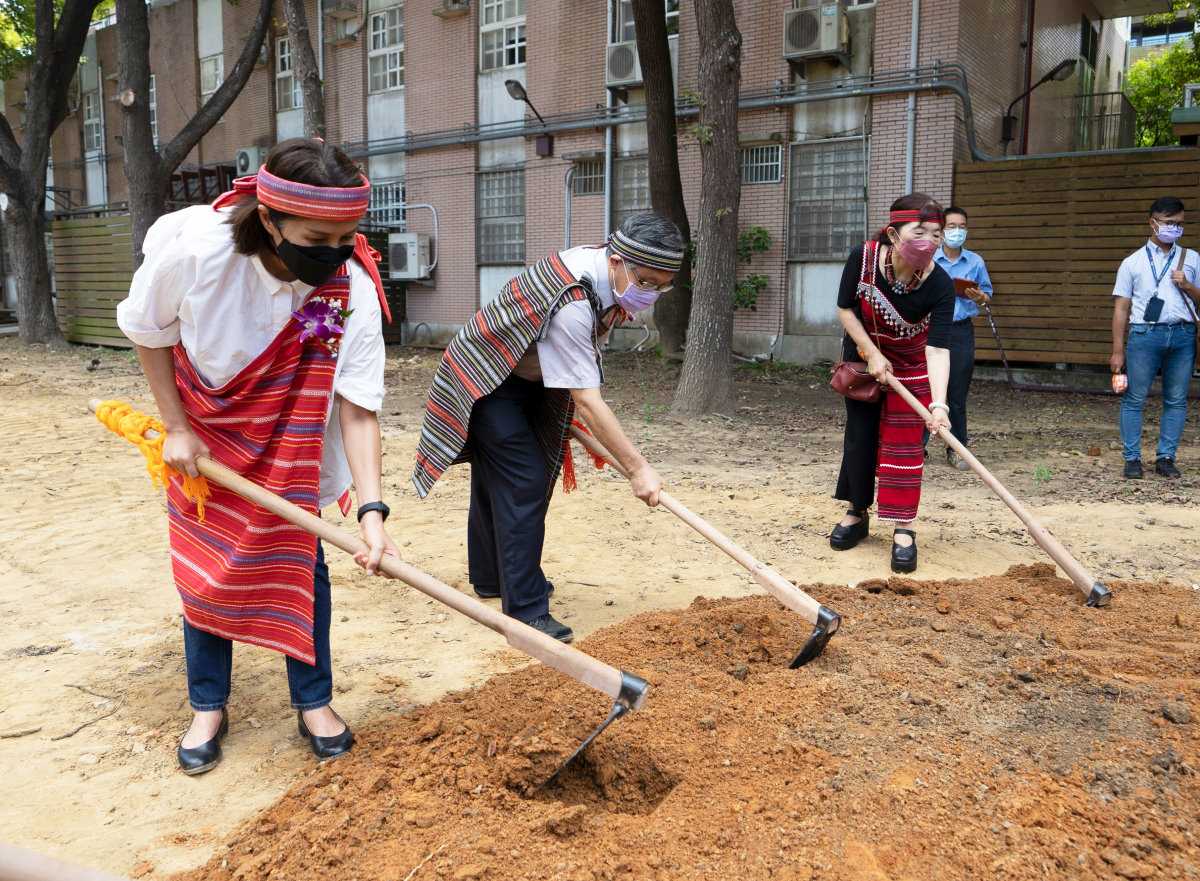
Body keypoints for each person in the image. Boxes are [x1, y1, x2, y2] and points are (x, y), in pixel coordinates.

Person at [117, 138, 399, 775]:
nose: (334, 254)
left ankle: (314, 701)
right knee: (208, 564)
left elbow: (356, 406)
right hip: (205, 434)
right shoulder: (196, 251)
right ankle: (208, 707)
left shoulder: (348, 286)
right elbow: (147, 330)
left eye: (346, 237)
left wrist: (373, 513)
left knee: (301, 555)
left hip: (289, 440)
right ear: (268, 218)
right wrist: (176, 427)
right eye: (316, 238)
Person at [412, 213, 684, 643]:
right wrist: (638, 469)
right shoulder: (573, 301)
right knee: (524, 481)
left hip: (526, 374)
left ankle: (492, 578)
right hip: (485, 377)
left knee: (496, 477)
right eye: (645, 281)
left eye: (661, 285)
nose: (650, 293)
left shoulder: (599, 272)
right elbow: (588, 400)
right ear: (616, 261)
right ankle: (526, 612)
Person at [829, 193, 954, 573]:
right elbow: (845, 308)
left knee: (904, 447)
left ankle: (903, 527)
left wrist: (939, 405)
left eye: (936, 234)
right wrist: (871, 352)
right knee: (861, 437)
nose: (929, 241)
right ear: (894, 234)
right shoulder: (862, 258)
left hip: (913, 364)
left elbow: (938, 351)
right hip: (865, 362)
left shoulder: (940, 285)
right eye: (920, 232)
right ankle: (857, 512)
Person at [1110, 196, 1200, 480]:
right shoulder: (1132, 262)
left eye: (1180, 223)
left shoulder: (1193, 258)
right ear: (1153, 223)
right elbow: (1121, 307)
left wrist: (1187, 285)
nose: (1176, 228)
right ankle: (1132, 459)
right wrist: (1117, 351)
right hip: (1145, 334)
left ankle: (1166, 457)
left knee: (1176, 399)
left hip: (1184, 334)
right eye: (1170, 223)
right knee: (1134, 398)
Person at [931, 205, 993, 469]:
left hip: (961, 331)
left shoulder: (975, 262)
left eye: (962, 226)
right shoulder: (929, 259)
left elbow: (987, 295)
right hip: (930, 331)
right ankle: (915, 447)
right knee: (925, 390)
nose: (958, 231)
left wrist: (981, 298)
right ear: (942, 230)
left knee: (957, 393)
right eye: (952, 226)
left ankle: (957, 448)